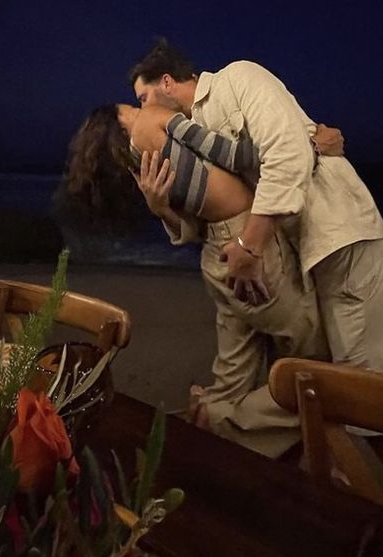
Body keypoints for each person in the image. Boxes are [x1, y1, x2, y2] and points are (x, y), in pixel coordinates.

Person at [128, 41, 383, 393]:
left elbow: (286, 154)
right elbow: (211, 215)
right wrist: (159, 206)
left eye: (143, 99)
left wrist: (249, 245)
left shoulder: (238, 78)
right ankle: (222, 417)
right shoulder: (189, 136)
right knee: (315, 383)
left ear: (166, 82)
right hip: (297, 251)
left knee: (370, 395)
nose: (143, 113)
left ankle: (219, 418)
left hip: (339, 237)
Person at [63, 102, 330, 456]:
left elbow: (196, 215)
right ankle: (226, 425)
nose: (140, 104)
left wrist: (159, 209)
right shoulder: (152, 124)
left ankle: (213, 425)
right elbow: (234, 156)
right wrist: (307, 145)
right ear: (119, 116)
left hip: (215, 255)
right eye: (132, 102)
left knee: (231, 380)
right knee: (317, 372)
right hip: (246, 246)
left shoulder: (140, 164)